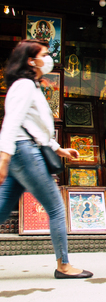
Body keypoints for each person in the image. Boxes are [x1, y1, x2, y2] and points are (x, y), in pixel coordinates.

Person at [0, 39, 93, 278]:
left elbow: (36, 126)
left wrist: (58, 149)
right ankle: (64, 266)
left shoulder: (31, 86)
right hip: (24, 152)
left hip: (23, 152)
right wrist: (3, 156)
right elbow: (11, 123)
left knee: (1, 209)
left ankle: (64, 264)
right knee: (55, 208)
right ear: (31, 61)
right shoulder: (23, 86)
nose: (49, 57)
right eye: (45, 54)